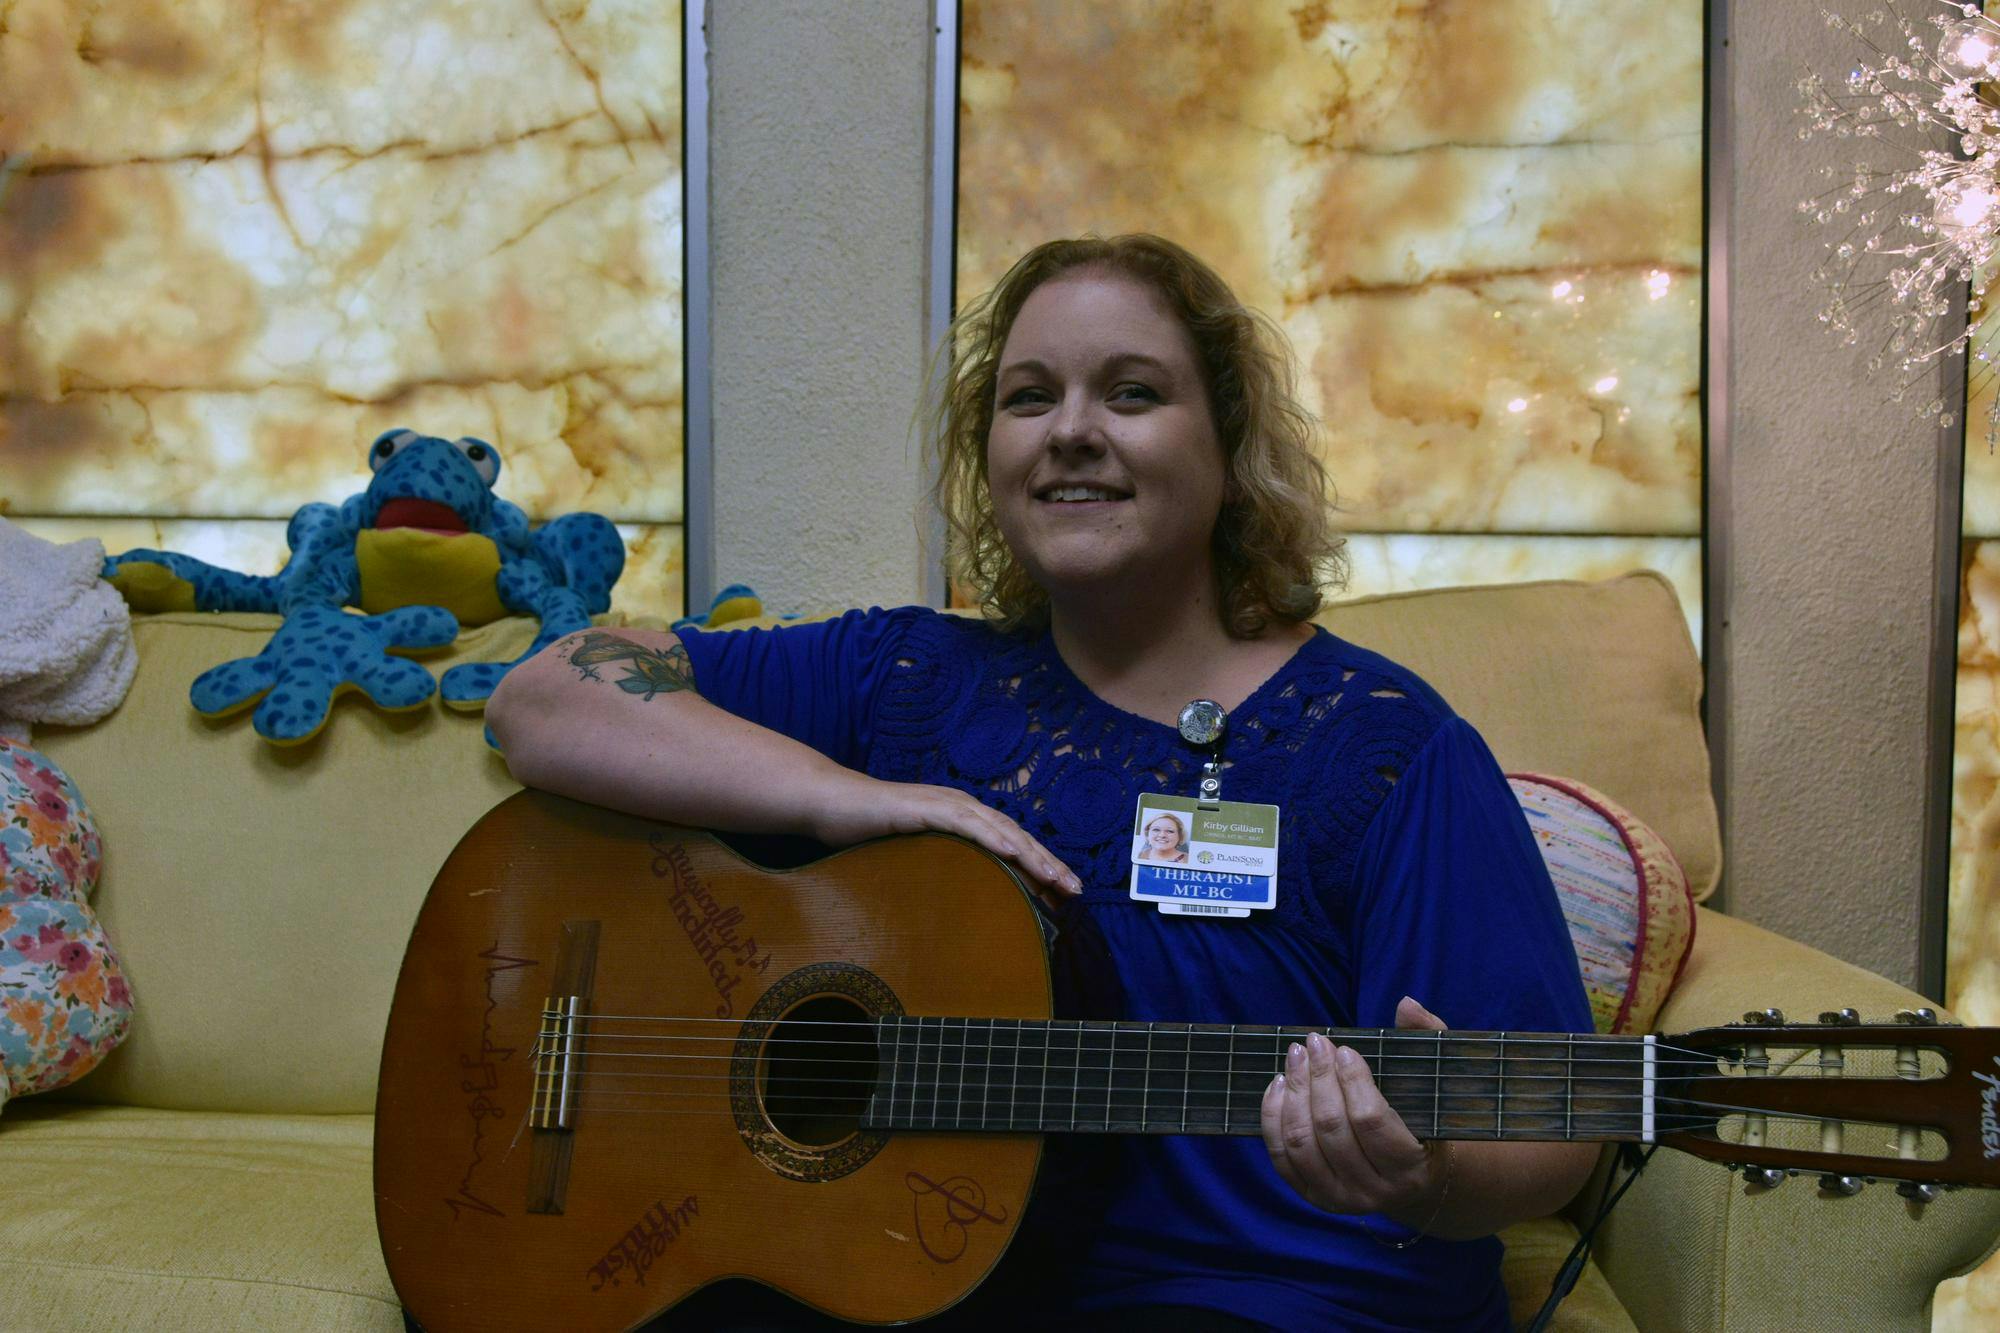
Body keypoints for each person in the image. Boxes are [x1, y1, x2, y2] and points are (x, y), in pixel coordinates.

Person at [489, 233, 1597, 1331]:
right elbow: (542, 699)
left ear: (1228, 444)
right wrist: (847, 793)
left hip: (1275, 1301)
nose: (1071, 432)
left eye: (1130, 392)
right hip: (928, 1288)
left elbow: (1550, 1123)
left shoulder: (1384, 746)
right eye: (1028, 398)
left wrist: (1425, 1176)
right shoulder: (900, 677)